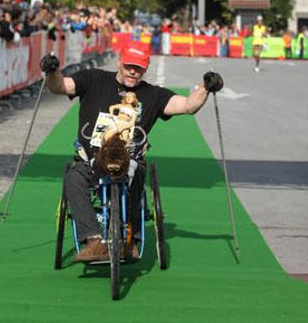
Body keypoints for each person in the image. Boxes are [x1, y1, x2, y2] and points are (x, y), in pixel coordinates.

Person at [40, 42, 223, 263]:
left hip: (130, 160)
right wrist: (52, 71)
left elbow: (187, 105)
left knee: (137, 176)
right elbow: (59, 86)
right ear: (120, 62)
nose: (133, 72)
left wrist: (206, 87)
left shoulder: (153, 94)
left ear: (145, 68)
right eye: (129, 66)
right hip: (92, 159)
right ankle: (94, 240)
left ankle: (130, 239)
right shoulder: (93, 79)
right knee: (74, 177)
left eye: (138, 67)